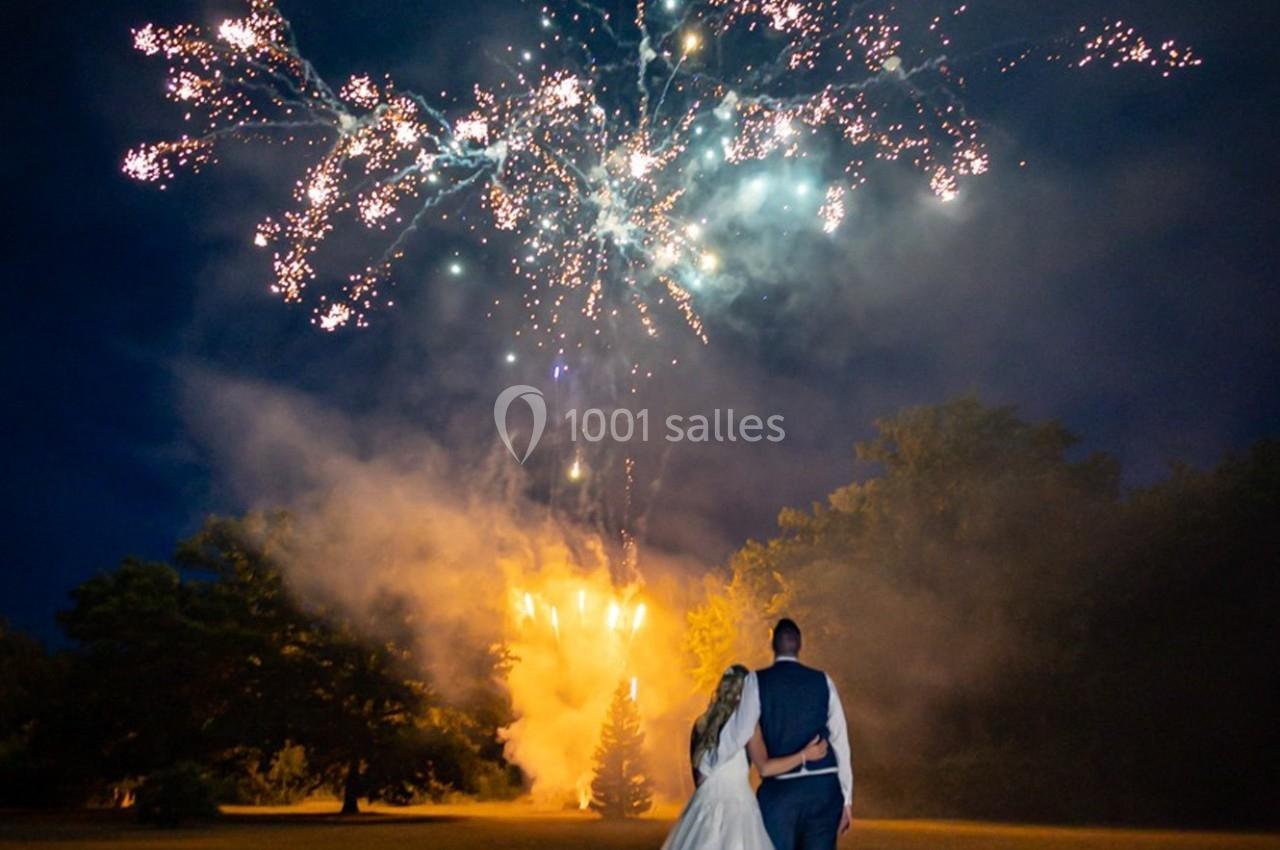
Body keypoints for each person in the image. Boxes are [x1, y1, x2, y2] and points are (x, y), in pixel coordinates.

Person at [661, 664, 829, 850]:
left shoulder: (701, 725)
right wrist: (805, 755)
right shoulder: (747, 728)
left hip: (702, 811)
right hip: (738, 811)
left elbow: (700, 779)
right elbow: (765, 768)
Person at [723, 618, 854, 850]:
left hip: (781, 793)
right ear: (800, 645)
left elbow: (741, 732)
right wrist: (847, 798)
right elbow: (840, 741)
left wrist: (715, 758)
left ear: (772, 644)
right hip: (824, 789)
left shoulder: (757, 681)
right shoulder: (823, 680)